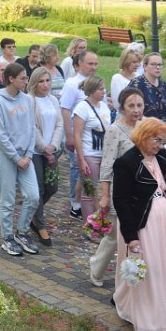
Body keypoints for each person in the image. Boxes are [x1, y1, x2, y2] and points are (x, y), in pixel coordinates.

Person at [113, 118, 166, 331]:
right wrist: (131, 236)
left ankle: (126, 304)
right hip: (141, 228)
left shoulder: (161, 160)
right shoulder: (126, 162)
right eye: (156, 140)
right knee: (149, 274)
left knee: (157, 271)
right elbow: (122, 201)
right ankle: (155, 328)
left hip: (162, 230)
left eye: (163, 141)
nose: (160, 145)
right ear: (143, 136)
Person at [90, 87, 144, 286]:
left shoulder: (145, 125)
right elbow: (107, 164)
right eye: (131, 106)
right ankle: (97, 268)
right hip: (120, 189)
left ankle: (131, 274)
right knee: (115, 236)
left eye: (139, 105)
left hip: (141, 190)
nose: (136, 110)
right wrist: (104, 195)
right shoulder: (115, 130)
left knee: (132, 234)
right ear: (122, 108)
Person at [0, 63, 40, 256]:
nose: (26, 81)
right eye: (23, 78)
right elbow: (0, 134)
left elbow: (31, 129)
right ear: (11, 79)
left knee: (33, 196)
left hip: (25, 157)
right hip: (6, 156)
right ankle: (8, 238)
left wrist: (28, 155)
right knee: (8, 199)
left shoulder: (28, 100)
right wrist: (15, 157)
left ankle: (22, 231)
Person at [28, 67, 64, 246]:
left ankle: (34, 214)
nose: (45, 85)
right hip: (36, 151)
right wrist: (44, 148)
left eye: (48, 81)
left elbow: (59, 124)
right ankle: (40, 224)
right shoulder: (30, 101)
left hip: (52, 149)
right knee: (39, 189)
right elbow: (32, 127)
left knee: (53, 187)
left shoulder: (53, 100)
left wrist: (54, 146)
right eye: (41, 81)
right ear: (34, 82)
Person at [60, 50, 99, 219]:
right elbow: (65, 109)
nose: (94, 67)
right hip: (78, 133)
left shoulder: (94, 82)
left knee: (87, 172)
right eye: (90, 63)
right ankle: (75, 204)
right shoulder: (72, 83)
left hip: (93, 135)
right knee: (77, 169)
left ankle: (86, 202)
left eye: (96, 64)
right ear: (79, 64)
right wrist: (68, 135)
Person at [73, 75, 113, 224]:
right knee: (90, 191)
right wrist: (81, 160)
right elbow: (77, 135)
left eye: (104, 88)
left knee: (104, 191)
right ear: (91, 90)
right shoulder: (82, 108)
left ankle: (101, 222)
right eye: (100, 89)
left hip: (104, 153)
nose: (104, 92)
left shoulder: (103, 106)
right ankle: (90, 226)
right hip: (90, 153)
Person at [129, 52, 166, 127]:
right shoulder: (137, 84)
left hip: (161, 130)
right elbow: (129, 109)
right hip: (141, 128)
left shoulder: (164, 86)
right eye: (153, 64)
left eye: (160, 65)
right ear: (145, 66)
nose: (157, 67)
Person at [111, 48, 142, 113]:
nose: (138, 65)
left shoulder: (138, 76)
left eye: (138, 62)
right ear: (126, 62)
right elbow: (117, 103)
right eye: (134, 62)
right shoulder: (117, 79)